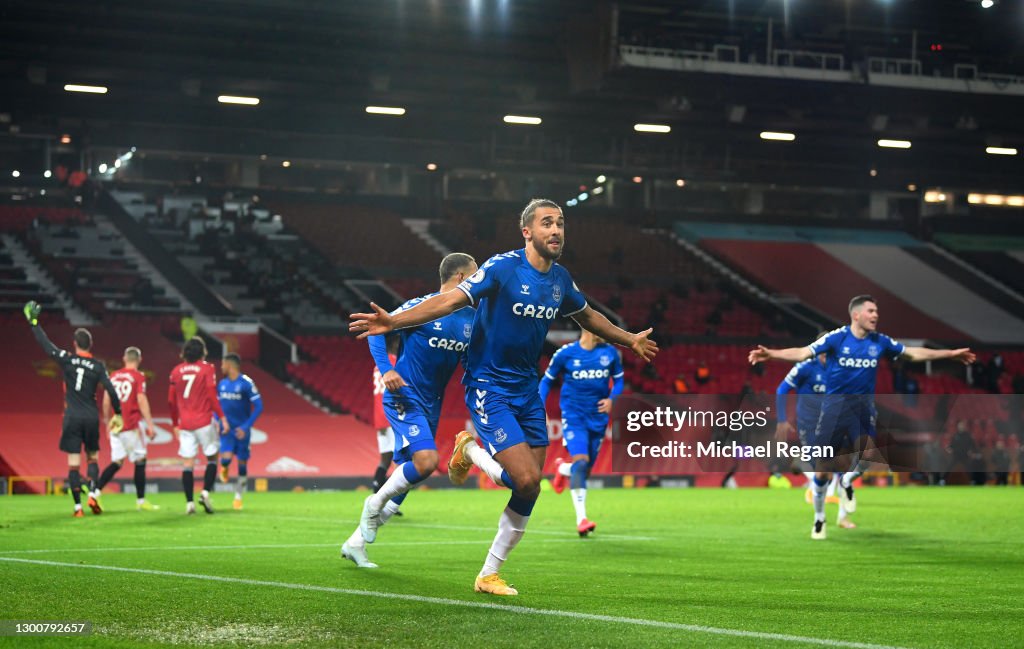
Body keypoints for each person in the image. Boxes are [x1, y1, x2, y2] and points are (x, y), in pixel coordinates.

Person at [350, 198, 658, 595]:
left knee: (529, 485)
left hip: (526, 391)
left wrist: (629, 338)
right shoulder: (501, 268)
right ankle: (472, 456)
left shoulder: (561, 279)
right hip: (489, 386)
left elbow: (588, 316)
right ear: (527, 231)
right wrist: (394, 321)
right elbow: (448, 300)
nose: (557, 230)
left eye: (561, 223)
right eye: (547, 223)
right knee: (526, 477)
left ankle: (487, 572)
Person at [749, 295, 974, 539]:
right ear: (856, 315)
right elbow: (803, 352)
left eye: (876, 311)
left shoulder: (880, 341)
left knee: (868, 455)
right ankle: (819, 518)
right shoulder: (837, 337)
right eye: (871, 311)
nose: (875, 315)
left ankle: (847, 482)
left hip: (862, 409)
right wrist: (772, 354)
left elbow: (912, 354)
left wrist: (949, 354)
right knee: (822, 470)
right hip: (834, 410)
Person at [344, 253, 477, 569]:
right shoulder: (422, 307)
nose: (481, 281)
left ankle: (355, 544)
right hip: (403, 396)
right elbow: (378, 330)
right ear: (460, 278)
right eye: (476, 275)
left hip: (432, 403)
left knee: (407, 480)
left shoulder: (473, 318)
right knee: (427, 462)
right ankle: (373, 502)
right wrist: (385, 370)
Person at [23, 301, 122, 517]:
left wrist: (34, 323)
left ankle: (77, 508)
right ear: (90, 344)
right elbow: (112, 391)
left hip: (72, 416)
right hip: (90, 416)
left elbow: (46, 345)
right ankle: (93, 494)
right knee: (93, 457)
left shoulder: (67, 359)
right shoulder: (97, 366)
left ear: (75, 344)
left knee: (74, 463)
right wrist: (118, 413)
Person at [539, 329, 623, 536]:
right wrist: (539, 409)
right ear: (587, 328)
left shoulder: (609, 353)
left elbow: (619, 380)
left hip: (598, 418)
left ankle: (563, 469)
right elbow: (546, 381)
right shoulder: (565, 354)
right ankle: (582, 519)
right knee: (582, 461)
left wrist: (612, 399)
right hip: (574, 416)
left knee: (584, 470)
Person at [774, 339, 843, 523]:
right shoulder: (805, 367)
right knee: (819, 462)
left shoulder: (838, 369)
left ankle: (822, 492)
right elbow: (782, 389)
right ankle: (818, 490)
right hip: (809, 423)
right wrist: (782, 420)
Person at [94, 346, 159, 511]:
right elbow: (141, 399)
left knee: (117, 462)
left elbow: (106, 400)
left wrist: (108, 421)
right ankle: (141, 501)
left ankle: (95, 493)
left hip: (116, 426)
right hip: (131, 425)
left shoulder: (114, 376)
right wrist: (150, 424)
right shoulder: (138, 376)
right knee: (140, 460)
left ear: (124, 359)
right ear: (139, 360)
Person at [169, 336, 228, 514]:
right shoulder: (207, 369)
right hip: (204, 421)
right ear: (203, 352)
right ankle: (204, 493)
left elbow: (171, 401)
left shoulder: (176, 371)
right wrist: (222, 417)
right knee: (212, 457)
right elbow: (211, 395)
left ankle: (189, 504)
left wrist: (174, 423)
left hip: (185, 424)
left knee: (188, 463)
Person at [217, 353, 264, 510]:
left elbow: (259, 406)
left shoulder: (246, 383)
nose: (221, 367)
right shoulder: (222, 384)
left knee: (242, 464)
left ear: (230, 366)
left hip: (242, 430)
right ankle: (224, 466)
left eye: (223, 364)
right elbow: (215, 407)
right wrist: (219, 422)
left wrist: (246, 426)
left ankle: (238, 496)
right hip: (227, 430)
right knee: (226, 458)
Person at [370, 335, 400, 492]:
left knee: (385, 460)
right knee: (398, 460)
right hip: (391, 414)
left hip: (379, 417)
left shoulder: (379, 365)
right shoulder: (393, 363)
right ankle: (390, 500)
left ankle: (376, 492)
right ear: (395, 344)